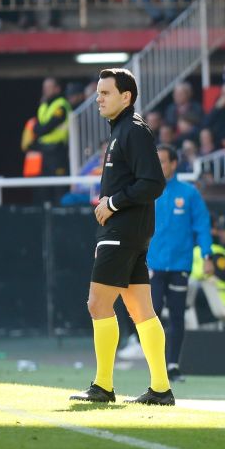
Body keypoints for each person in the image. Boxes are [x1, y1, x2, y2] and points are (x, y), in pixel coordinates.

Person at [69, 69, 173, 406]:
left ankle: (103, 387)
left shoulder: (133, 131)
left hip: (122, 232)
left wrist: (112, 202)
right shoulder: (123, 131)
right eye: (98, 92)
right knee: (141, 309)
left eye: (105, 93)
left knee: (98, 304)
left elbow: (154, 183)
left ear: (125, 97)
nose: (98, 98)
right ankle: (160, 389)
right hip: (131, 232)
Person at [144, 143, 214, 383]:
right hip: (153, 264)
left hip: (179, 265)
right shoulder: (145, 190)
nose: (158, 165)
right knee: (151, 312)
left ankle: (173, 365)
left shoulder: (189, 193)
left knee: (177, 316)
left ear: (174, 164)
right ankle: (156, 364)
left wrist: (207, 255)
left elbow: (202, 225)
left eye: (162, 161)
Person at [31, 77, 71, 177]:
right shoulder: (43, 105)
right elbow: (36, 124)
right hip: (43, 151)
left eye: (49, 87)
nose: (45, 90)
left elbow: (47, 126)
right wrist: (38, 129)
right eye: (44, 87)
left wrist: (38, 129)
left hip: (57, 150)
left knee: (59, 186)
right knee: (44, 186)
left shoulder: (61, 104)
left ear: (57, 89)